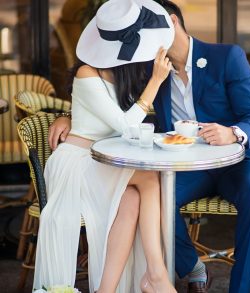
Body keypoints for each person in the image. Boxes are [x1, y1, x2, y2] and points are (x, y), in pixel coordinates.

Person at [49, 1, 250, 292]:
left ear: (172, 22)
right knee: (155, 196)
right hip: (184, 164)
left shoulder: (227, 56)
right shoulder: (150, 69)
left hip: (236, 162)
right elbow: (107, 101)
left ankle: (241, 288)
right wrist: (68, 116)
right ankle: (192, 267)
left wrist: (233, 132)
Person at [33, 0, 177, 292]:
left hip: (101, 161)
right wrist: (155, 83)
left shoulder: (123, 74)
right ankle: (157, 275)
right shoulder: (88, 73)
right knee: (150, 178)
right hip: (75, 163)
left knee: (133, 200)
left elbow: (119, 123)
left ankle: (106, 289)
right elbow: (126, 126)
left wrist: (70, 115)